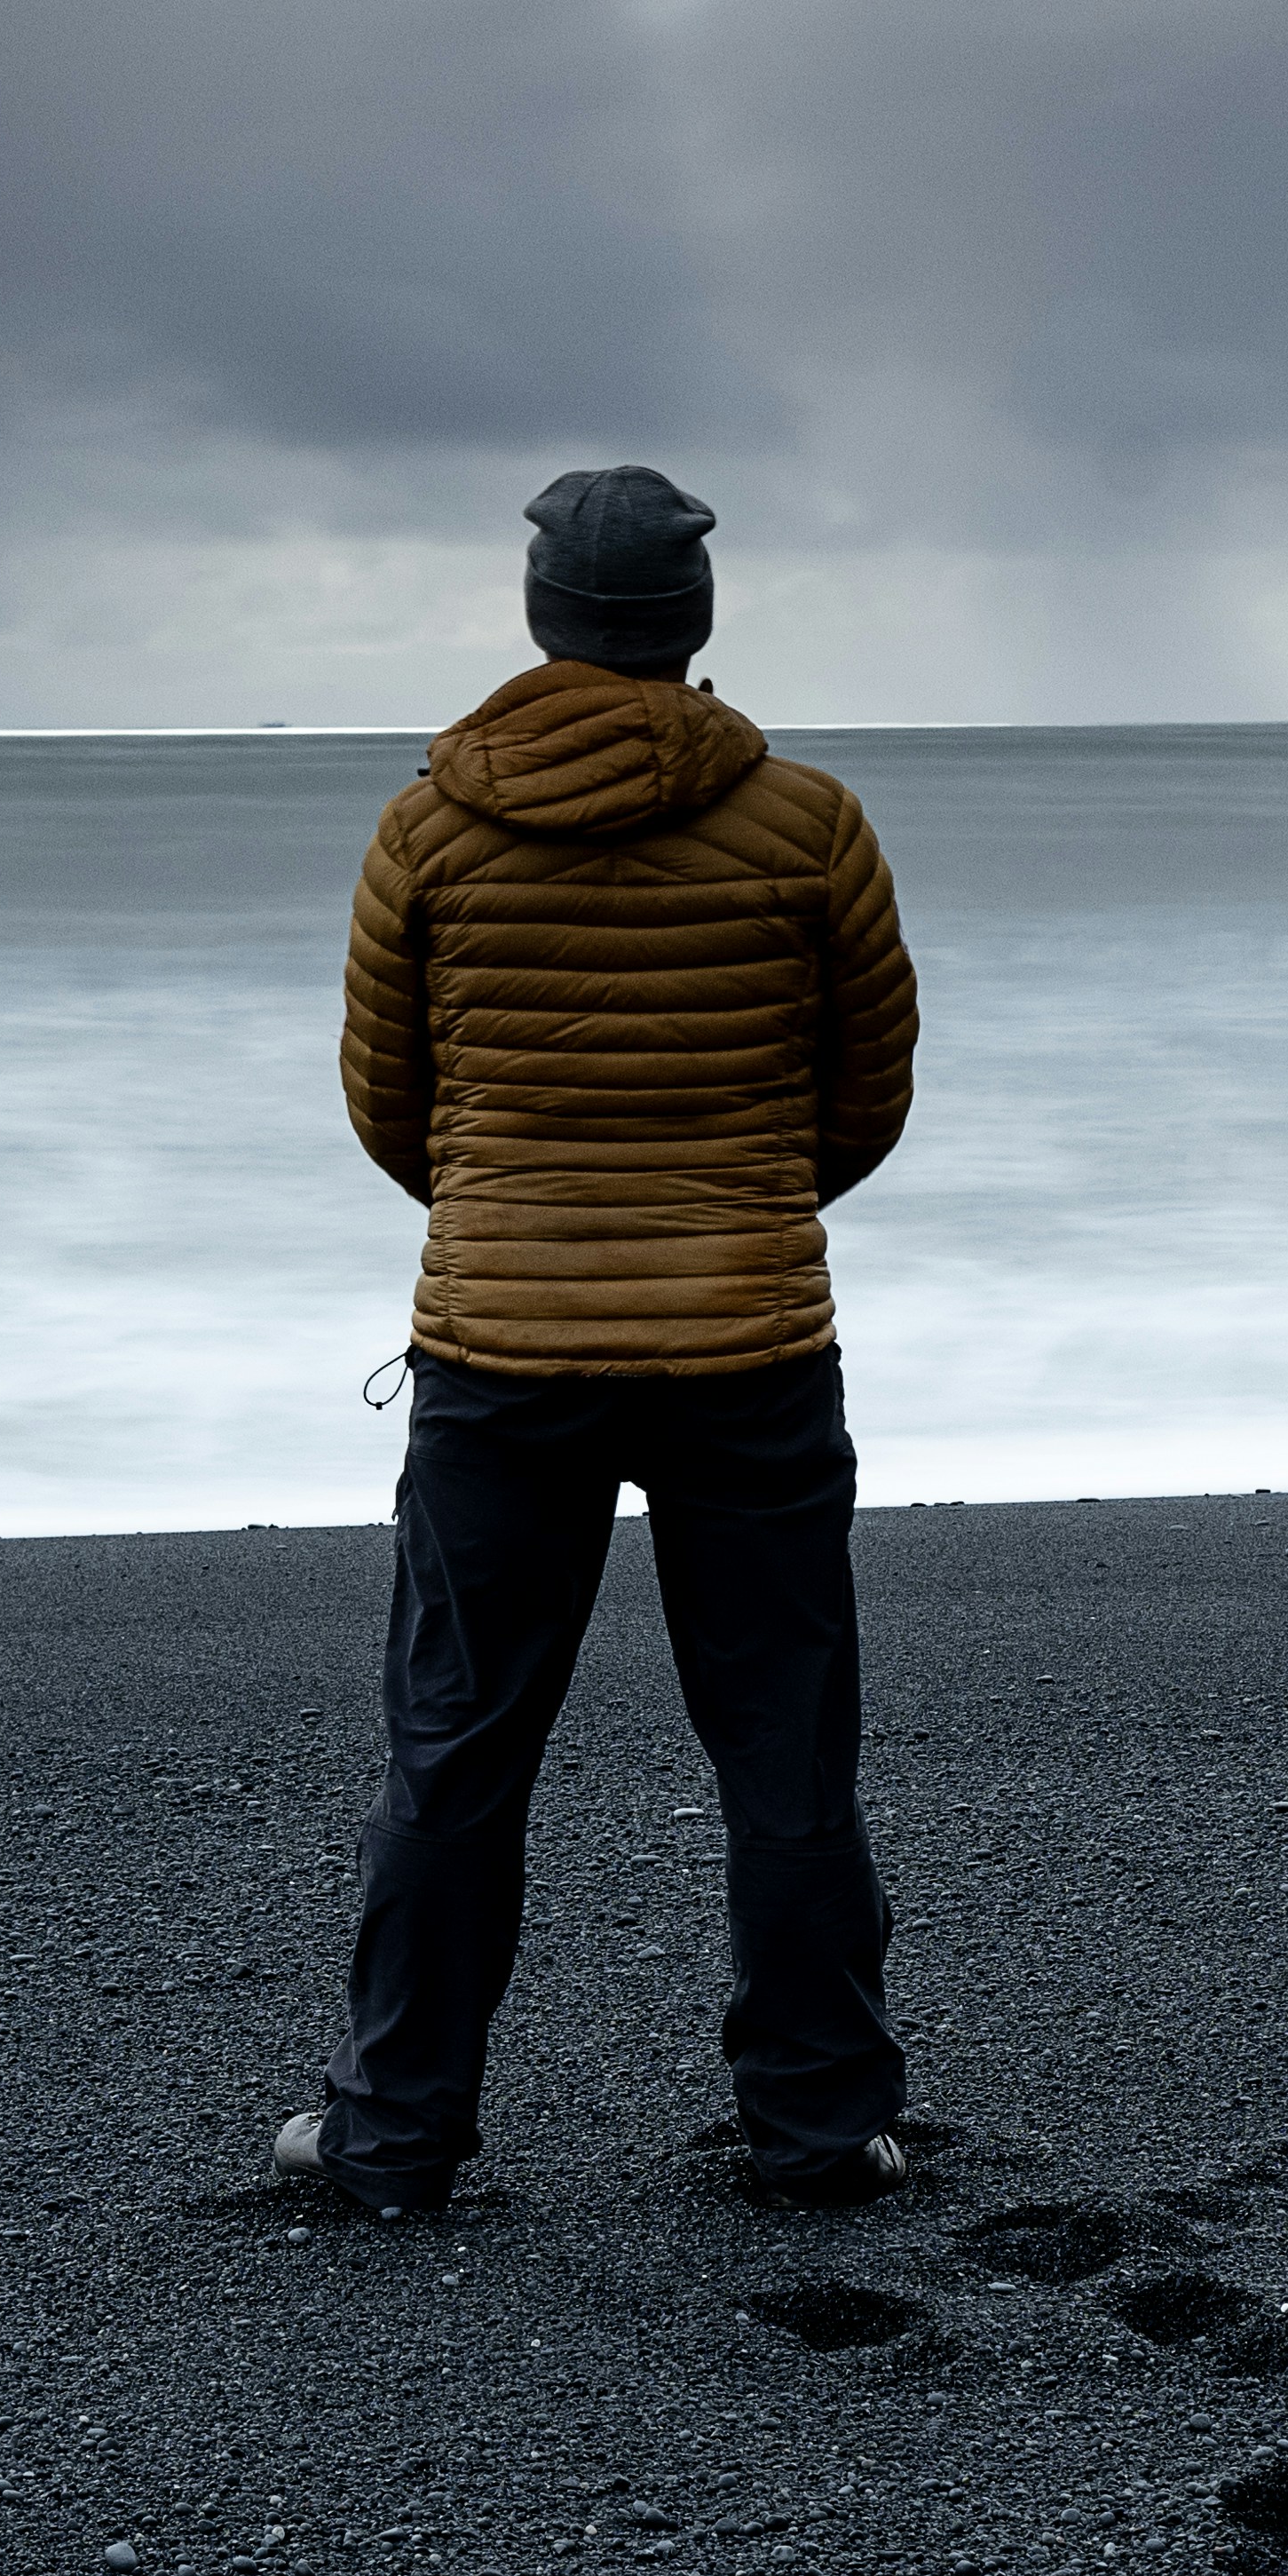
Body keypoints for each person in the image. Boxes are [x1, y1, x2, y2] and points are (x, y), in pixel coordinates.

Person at [278, 466, 928, 2219]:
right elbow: (867, 1101)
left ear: (543, 616)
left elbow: (386, 1106)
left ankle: (393, 2129)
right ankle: (816, 2127)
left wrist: (510, 1210)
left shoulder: (427, 830)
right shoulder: (809, 824)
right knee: (784, 1747)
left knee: (456, 1750)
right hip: (748, 1344)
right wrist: (738, 1204)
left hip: (503, 1352)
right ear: (692, 623)